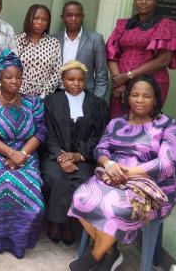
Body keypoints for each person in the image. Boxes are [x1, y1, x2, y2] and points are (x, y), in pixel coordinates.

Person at [68, 76, 176, 271]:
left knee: (115, 207)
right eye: (135, 95)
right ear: (128, 98)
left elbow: (167, 163)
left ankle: (97, 255)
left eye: (146, 96)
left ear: (156, 99)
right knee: (80, 197)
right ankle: (111, 253)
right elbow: (101, 149)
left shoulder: (168, 125)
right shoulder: (117, 123)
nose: (139, 100)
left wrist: (128, 172)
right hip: (112, 175)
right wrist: (110, 163)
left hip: (151, 183)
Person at [0, 49, 47, 258]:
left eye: (18, 77)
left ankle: (18, 241)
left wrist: (21, 154)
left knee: (31, 191)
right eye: (9, 77)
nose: (15, 81)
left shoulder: (34, 102)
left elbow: (40, 132)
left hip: (26, 153)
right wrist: (11, 153)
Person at [41, 61, 108, 246]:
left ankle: (70, 225)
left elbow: (99, 136)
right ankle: (54, 222)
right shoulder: (51, 101)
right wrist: (61, 157)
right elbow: (47, 132)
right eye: (71, 79)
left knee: (82, 178)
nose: (76, 83)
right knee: (56, 178)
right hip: (54, 155)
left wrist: (79, 156)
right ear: (63, 80)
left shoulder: (97, 104)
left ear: (85, 81)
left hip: (84, 157)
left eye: (80, 80)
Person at [106, 0, 176, 118]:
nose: (143, 2)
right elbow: (111, 53)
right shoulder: (123, 25)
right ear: (134, 1)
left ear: (156, 2)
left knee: (144, 124)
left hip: (151, 82)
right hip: (121, 83)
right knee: (117, 122)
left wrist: (129, 75)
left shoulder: (165, 25)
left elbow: (163, 60)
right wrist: (118, 81)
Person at [54, 1, 108, 98]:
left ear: (82, 17)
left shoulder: (95, 39)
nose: (73, 19)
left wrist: (96, 101)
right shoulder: (54, 39)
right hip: (57, 94)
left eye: (77, 15)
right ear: (62, 18)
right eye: (69, 15)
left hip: (86, 94)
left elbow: (102, 76)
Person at [16, 4, 61, 98]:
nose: (40, 22)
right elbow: (10, 68)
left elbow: (57, 72)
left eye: (44, 20)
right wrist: (18, 92)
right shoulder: (17, 41)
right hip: (18, 95)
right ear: (29, 19)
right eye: (36, 18)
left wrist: (43, 95)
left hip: (44, 97)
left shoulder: (53, 43)